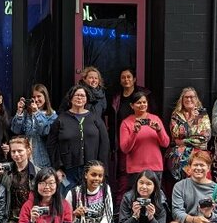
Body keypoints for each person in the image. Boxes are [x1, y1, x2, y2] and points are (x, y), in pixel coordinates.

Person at [47, 85, 110, 192]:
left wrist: (102, 169)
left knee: (90, 202)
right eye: (77, 95)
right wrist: (57, 168)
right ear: (71, 98)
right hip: (67, 171)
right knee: (67, 202)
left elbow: (105, 144)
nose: (79, 98)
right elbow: (51, 145)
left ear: (86, 99)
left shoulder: (95, 119)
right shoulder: (60, 119)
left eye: (82, 96)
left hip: (92, 171)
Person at [118, 90, 170, 199]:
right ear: (132, 105)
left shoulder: (155, 119)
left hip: (155, 167)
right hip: (136, 168)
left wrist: (159, 130)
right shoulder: (126, 123)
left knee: (155, 199)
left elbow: (165, 143)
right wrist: (134, 132)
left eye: (144, 102)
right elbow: (125, 148)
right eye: (138, 103)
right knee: (136, 199)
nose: (142, 105)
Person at [107, 68, 149, 196]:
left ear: (134, 79)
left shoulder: (144, 95)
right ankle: (121, 206)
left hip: (141, 140)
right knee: (123, 173)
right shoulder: (116, 98)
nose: (126, 80)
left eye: (129, 77)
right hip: (122, 140)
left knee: (141, 172)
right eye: (123, 77)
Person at [0, 136, 40, 223]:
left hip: (31, 217)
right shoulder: (5, 173)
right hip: (12, 218)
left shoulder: (38, 173)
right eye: (13, 151)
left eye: (20, 151)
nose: (16, 154)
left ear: (28, 150)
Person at [167, 87, 211, 181]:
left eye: (192, 97)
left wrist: (182, 141)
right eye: (186, 97)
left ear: (196, 99)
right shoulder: (176, 115)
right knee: (182, 185)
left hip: (198, 155)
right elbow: (175, 133)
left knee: (198, 182)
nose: (189, 99)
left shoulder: (202, 115)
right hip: (179, 158)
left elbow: (204, 138)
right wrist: (191, 121)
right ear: (182, 100)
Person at [11, 83, 57, 168]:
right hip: (26, 157)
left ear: (45, 97)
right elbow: (15, 130)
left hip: (42, 159)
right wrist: (19, 112)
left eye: (39, 96)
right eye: (33, 97)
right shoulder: (27, 113)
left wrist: (36, 112)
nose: (36, 99)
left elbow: (45, 131)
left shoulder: (52, 115)